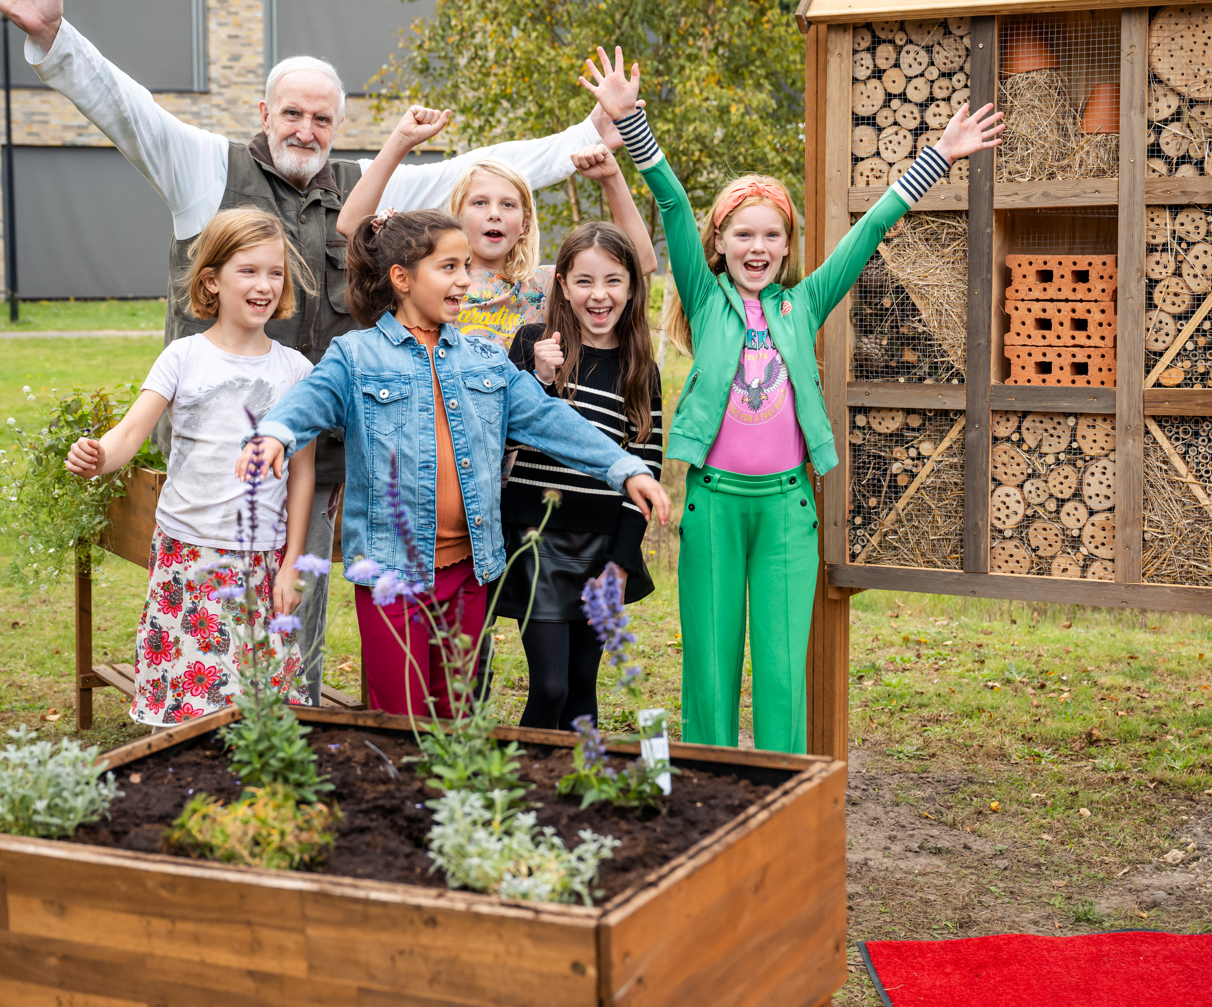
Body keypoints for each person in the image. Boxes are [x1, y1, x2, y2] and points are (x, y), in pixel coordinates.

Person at [0, 0, 631, 704]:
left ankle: (294, 731)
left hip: (322, 458)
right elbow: (126, 108)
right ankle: (201, 714)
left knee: (295, 601)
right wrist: (54, 38)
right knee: (209, 596)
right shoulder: (206, 168)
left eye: (322, 118)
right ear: (265, 114)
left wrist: (588, 131)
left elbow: (480, 169)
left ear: (338, 125)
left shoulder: (369, 190)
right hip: (214, 450)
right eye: (293, 113)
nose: (306, 129)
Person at [580, 46, 1004, 754]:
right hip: (714, 504)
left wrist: (939, 156)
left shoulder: (803, 305)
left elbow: (869, 232)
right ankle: (711, 779)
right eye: (743, 234)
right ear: (719, 244)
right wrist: (632, 123)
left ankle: (781, 787)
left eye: (771, 235)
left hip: (787, 508)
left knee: (782, 670)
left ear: (786, 246)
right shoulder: (705, 298)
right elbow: (673, 204)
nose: (757, 246)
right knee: (710, 664)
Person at [235, 207, 670, 719]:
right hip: (392, 574)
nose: (465, 279)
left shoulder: (484, 359)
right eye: (450, 267)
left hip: (468, 573)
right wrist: (276, 434)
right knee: (403, 720)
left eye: (466, 266)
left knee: (458, 717)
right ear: (402, 278)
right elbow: (311, 399)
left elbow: (550, 418)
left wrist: (625, 467)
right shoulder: (357, 357)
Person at [65, 209, 316, 726]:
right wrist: (98, 457)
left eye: (275, 272)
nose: (265, 285)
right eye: (248, 271)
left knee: (259, 704)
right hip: (186, 552)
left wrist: (292, 561)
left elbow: (302, 474)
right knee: (188, 699)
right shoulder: (183, 357)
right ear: (211, 280)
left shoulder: (296, 371)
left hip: (262, 559)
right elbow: (129, 434)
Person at [496, 222, 663, 729]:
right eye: (584, 281)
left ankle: (573, 780)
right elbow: (503, 438)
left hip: (600, 544)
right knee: (551, 686)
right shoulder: (533, 343)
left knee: (583, 686)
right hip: (537, 538)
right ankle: (523, 777)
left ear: (631, 288)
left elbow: (646, 465)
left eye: (613, 280)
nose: (599, 294)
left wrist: (621, 560)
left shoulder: (640, 368)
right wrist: (539, 379)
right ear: (563, 286)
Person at [338, 119, 658, 347]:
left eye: (508, 204)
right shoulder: (430, 275)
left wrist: (612, 179)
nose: (494, 213)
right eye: (480, 203)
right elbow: (350, 225)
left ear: (525, 223)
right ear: (456, 216)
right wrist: (400, 142)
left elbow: (640, 262)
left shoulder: (545, 285)